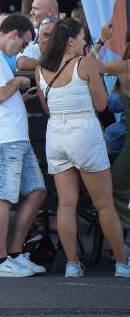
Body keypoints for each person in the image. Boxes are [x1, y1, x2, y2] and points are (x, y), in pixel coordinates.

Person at [37, 19, 130, 278]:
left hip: (56, 135)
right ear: (71, 41)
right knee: (104, 204)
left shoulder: (42, 67)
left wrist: (100, 41)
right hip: (84, 133)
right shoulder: (85, 63)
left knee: (66, 205)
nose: (85, 43)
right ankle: (122, 264)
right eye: (82, 39)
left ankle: (72, 264)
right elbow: (101, 105)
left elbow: (47, 108)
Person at [0, 13, 47, 277]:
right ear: (14, 34)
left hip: (12, 136)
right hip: (4, 138)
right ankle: (0, 261)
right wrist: (17, 81)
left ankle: (14, 254)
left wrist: (21, 96)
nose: (23, 50)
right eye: (24, 43)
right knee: (3, 198)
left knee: (37, 191)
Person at [102, 27, 130, 237]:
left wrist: (101, 41)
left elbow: (89, 66)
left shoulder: (123, 67)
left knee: (112, 187)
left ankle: (124, 246)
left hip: (124, 143)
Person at [16, 0, 59, 71]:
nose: (31, 12)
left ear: (49, 12)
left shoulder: (69, 32)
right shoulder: (31, 34)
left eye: (36, 9)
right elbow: (22, 63)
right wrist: (54, 65)